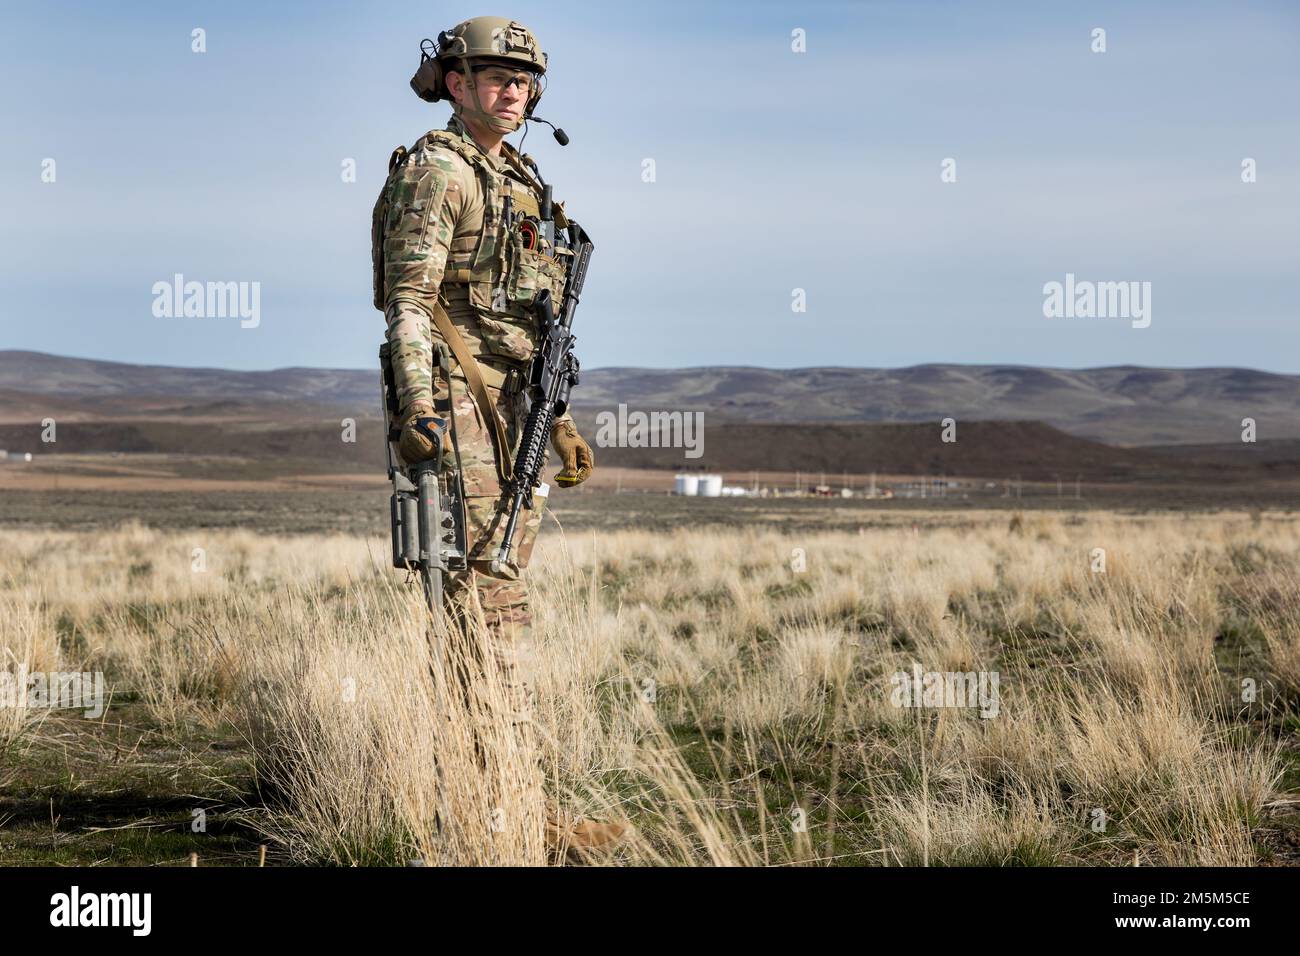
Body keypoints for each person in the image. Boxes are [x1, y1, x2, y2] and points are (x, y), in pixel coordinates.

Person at [371, 15, 621, 855]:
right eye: (492, 76)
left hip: (515, 407)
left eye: (522, 80)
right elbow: (409, 301)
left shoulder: (518, 176)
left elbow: (530, 324)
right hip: (453, 401)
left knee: (497, 597)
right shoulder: (438, 173)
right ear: (454, 83)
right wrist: (418, 412)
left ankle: (503, 800)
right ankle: (498, 812)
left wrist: (562, 421)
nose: (512, 90)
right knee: (483, 602)